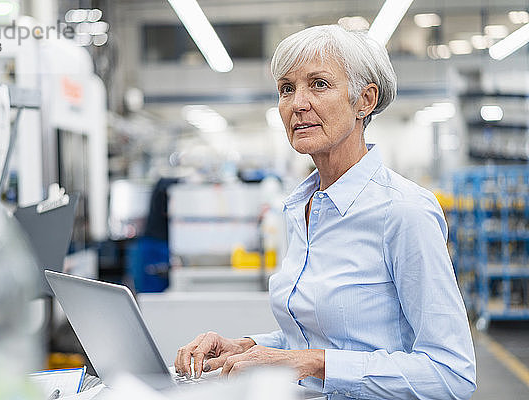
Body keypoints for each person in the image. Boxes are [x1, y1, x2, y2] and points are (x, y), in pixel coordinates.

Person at [174, 25, 476, 399]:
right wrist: (247, 347)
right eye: (287, 88)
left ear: (364, 100)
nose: (298, 103)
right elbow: (316, 335)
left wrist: (316, 363)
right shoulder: (302, 208)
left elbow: (452, 375)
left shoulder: (403, 212)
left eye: (318, 84)